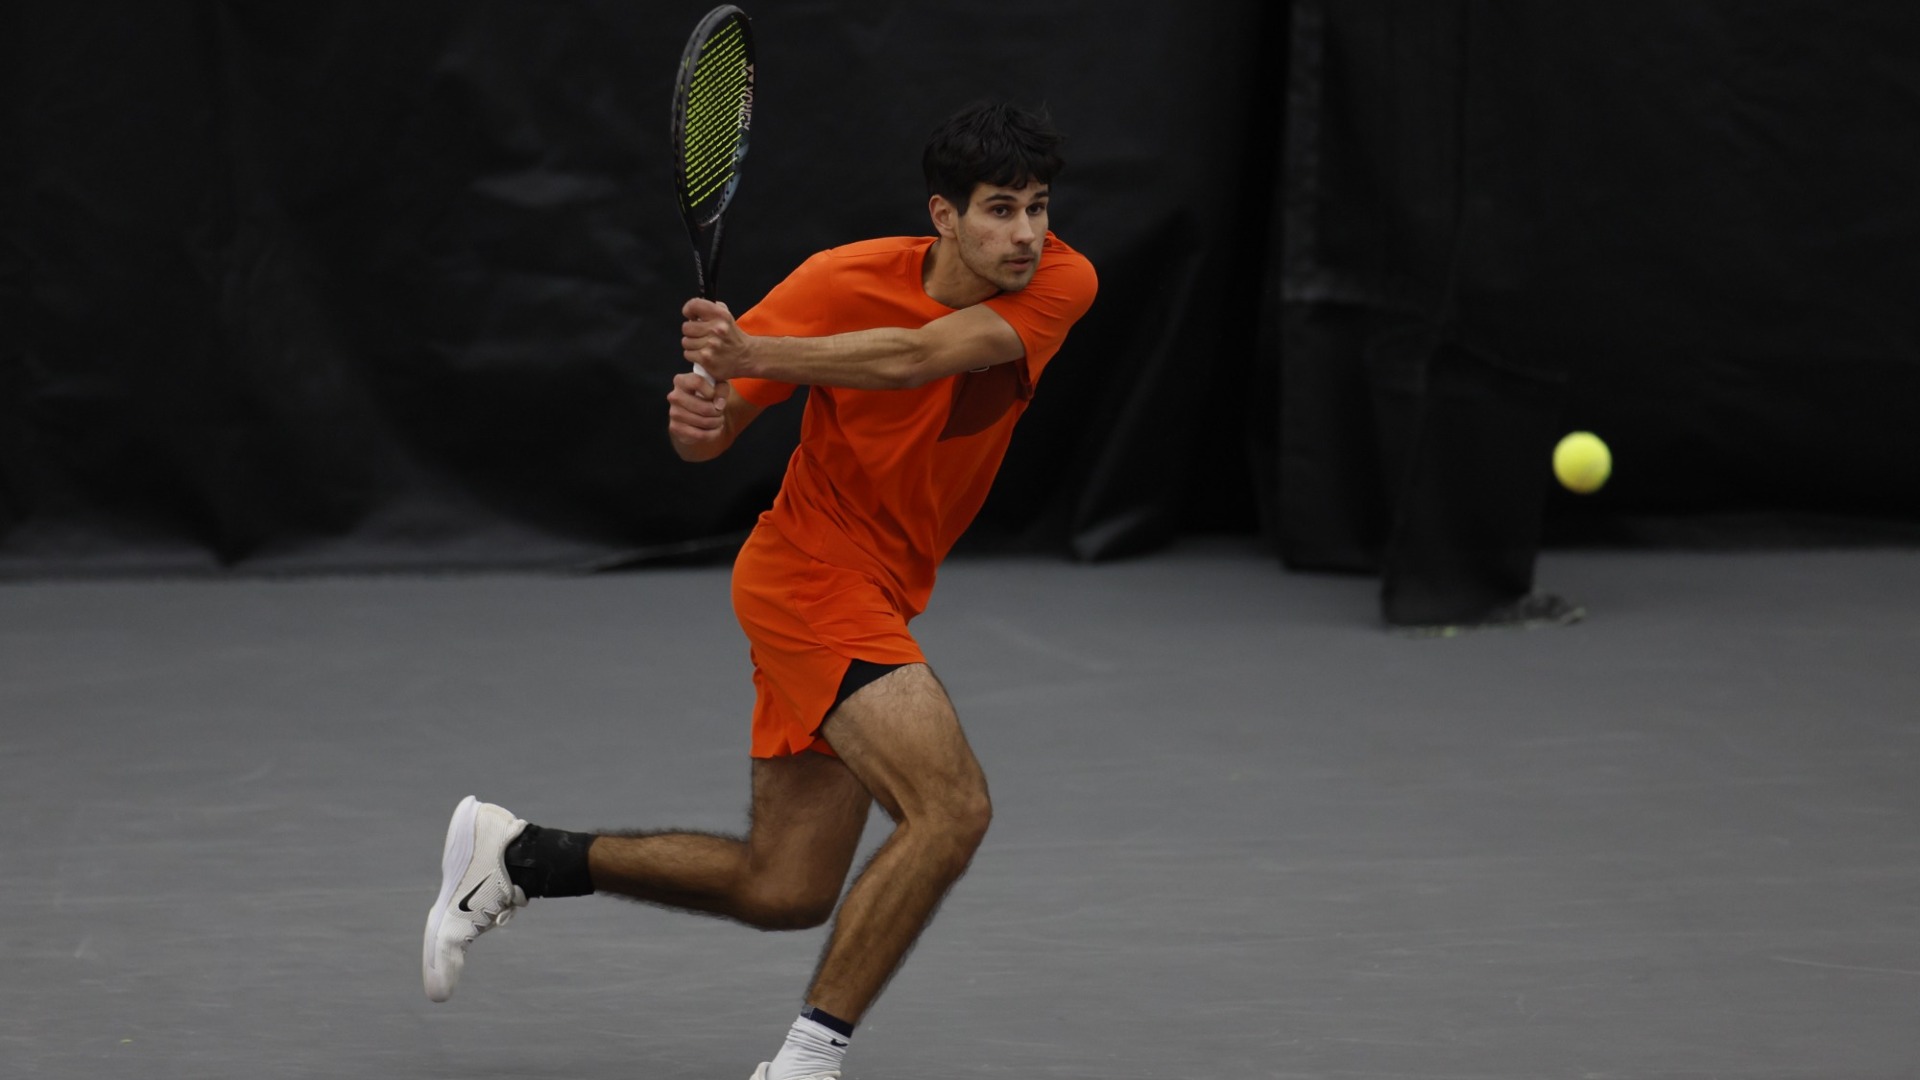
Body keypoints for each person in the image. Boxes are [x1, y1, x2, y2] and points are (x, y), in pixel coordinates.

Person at [420, 100, 1098, 1080]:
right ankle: (805, 1065)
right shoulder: (834, 282)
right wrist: (703, 418)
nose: (1027, 233)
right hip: (808, 576)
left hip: (883, 585)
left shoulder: (1063, 279)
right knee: (952, 810)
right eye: (1001, 209)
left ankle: (521, 856)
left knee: (784, 888)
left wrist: (754, 353)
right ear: (943, 217)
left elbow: (918, 354)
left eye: (1037, 207)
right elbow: (717, 428)